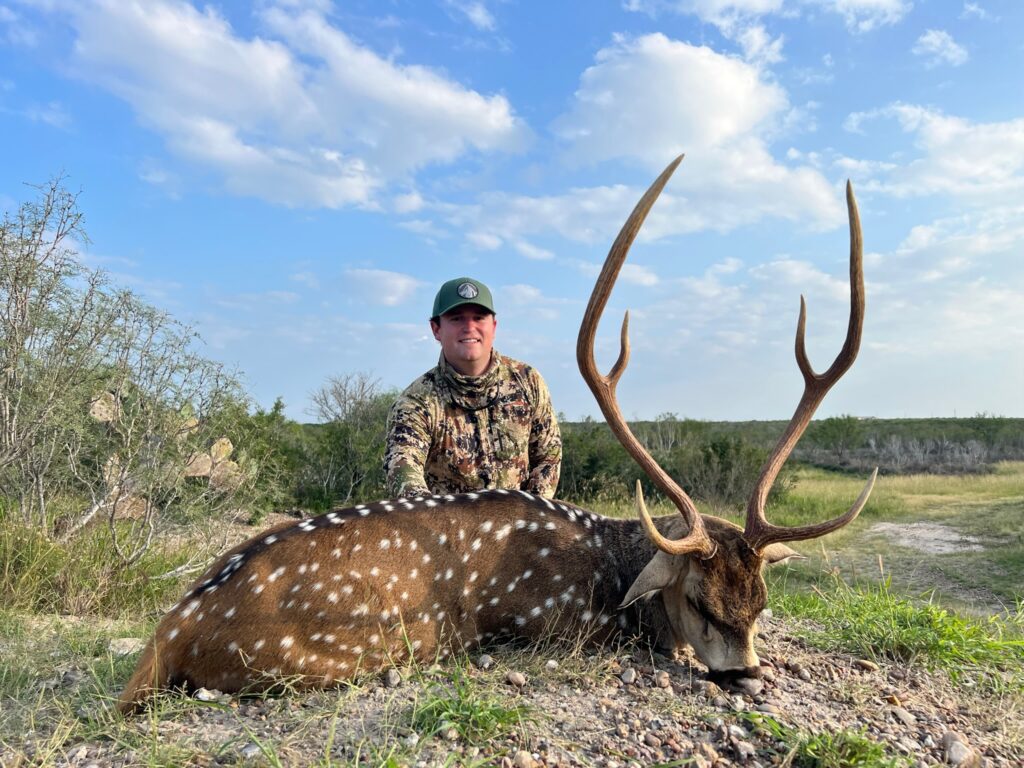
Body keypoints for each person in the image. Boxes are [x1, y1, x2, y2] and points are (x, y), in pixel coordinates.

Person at [384, 277, 562, 499]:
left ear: (493, 327)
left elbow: (548, 457)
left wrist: (530, 514)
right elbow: (402, 467)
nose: (469, 328)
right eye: (456, 318)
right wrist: (433, 515)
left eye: (479, 318)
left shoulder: (528, 381)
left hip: (522, 518)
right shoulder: (416, 402)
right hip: (444, 520)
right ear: (436, 329)